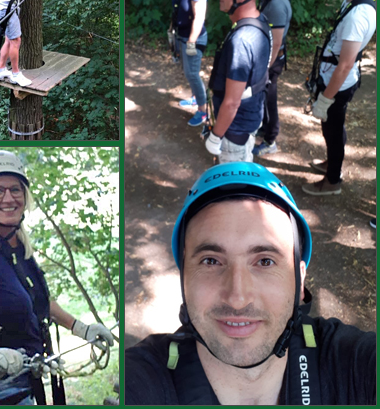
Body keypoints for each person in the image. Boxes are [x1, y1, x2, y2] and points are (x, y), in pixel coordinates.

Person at [125, 162, 376, 405]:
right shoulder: (138, 380)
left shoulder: (355, 365)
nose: (238, 298)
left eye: (265, 262)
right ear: (184, 279)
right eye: (211, 261)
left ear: (300, 281)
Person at [0, 150, 115, 405]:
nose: (8, 198)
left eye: (15, 190)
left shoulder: (19, 250)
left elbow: (38, 301)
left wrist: (81, 328)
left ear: (25, 196)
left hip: (24, 383)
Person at [302, 0, 376, 196]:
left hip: (339, 82)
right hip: (334, 78)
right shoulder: (352, 1)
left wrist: (325, 99)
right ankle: (332, 161)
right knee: (332, 127)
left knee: (333, 130)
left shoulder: (359, 14)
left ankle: (332, 181)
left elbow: (344, 65)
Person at [204, 0, 271, 163]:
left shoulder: (241, 40)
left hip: (235, 132)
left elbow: (232, 102)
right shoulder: (261, 22)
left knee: (231, 191)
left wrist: (215, 137)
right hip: (246, 124)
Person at [254, 0, 292, 157]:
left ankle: (270, 141)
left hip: (272, 60)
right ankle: (265, 128)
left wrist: (264, 68)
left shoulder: (277, 3)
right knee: (264, 97)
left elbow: (276, 43)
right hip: (267, 58)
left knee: (269, 98)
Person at [170, 0, 209, 127]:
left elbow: (199, 17)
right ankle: (195, 98)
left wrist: (191, 42)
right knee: (188, 72)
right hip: (182, 36)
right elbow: (178, 9)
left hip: (193, 38)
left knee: (192, 74)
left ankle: (203, 111)